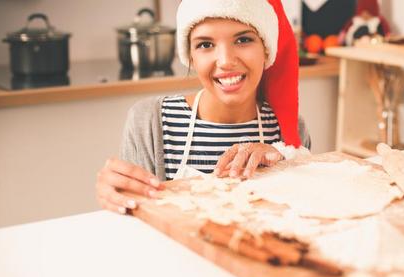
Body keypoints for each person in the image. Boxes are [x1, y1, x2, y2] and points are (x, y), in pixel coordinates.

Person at [96, 0, 311, 214]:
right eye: (205, 44)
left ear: (267, 49)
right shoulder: (149, 122)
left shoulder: (288, 131)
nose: (225, 61)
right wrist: (118, 196)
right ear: (190, 56)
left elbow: (307, 208)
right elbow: (137, 218)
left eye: (243, 39)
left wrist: (285, 162)